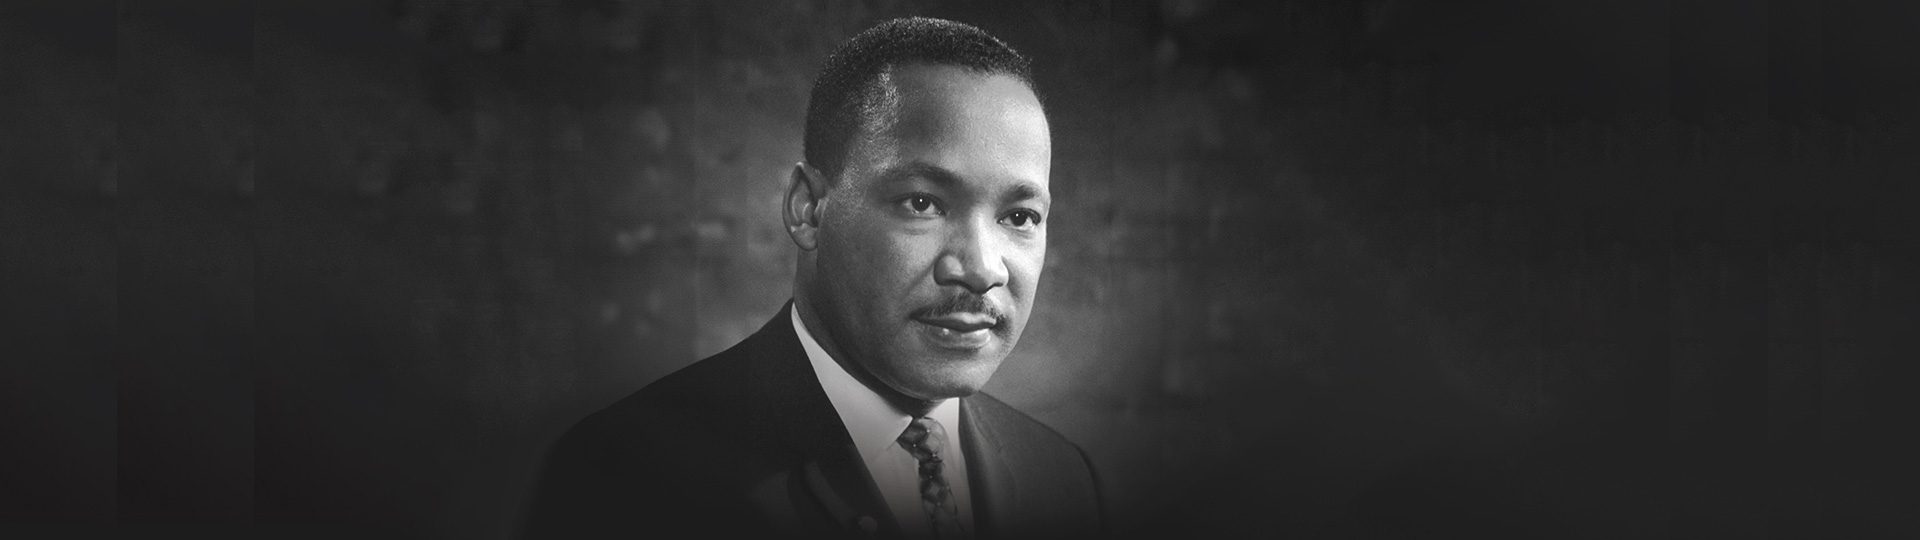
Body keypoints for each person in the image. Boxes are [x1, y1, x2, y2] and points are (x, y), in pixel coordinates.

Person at [520, 17, 1101, 538]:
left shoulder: (1061, 477)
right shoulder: (629, 477)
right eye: (922, 203)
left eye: (1020, 217)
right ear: (808, 208)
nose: (980, 268)